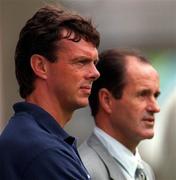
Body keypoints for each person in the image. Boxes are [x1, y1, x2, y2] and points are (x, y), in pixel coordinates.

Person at [0, 5, 100, 180]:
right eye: (81, 62)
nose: (95, 73)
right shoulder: (42, 150)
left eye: (94, 62)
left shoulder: (32, 137)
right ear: (40, 66)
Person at [79, 48, 160, 180]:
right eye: (142, 95)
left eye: (155, 96)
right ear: (107, 100)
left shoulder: (146, 171)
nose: (155, 107)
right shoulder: (83, 170)